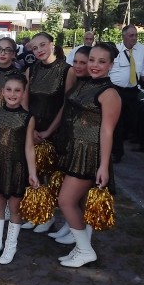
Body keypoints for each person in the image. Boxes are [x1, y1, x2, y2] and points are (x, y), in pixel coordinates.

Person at [57, 43, 121, 268]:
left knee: (65, 201)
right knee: (78, 202)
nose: (94, 65)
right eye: (92, 60)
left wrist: (103, 165)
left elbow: (107, 130)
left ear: (111, 65)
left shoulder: (109, 93)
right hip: (76, 148)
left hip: (90, 152)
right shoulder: (85, 83)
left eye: (102, 62)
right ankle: (80, 247)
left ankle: (85, 250)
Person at [0, 75, 39, 264]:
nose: (12, 94)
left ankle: (10, 245)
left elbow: (28, 147)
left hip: (18, 167)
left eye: (17, 90)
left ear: (24, 93)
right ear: (2, 92)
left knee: (15, 208)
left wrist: (33, 172)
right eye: (9, 89)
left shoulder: (28, 117)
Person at [21, 31, 73, 233]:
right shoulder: (31, 70)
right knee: (35, 174)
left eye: (42, 45)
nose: (39, 50)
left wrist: (49, 130)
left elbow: (65, 104)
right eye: (35, 48)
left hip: (56, 130)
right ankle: (40, 214)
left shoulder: (66, 70)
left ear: (52, 45)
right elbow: (25, 100)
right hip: (33, 129)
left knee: (53, 175)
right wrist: (31, 128)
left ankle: (52, 216)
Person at [49, 45, 92, 244]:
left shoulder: (96, 87)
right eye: (75, 62)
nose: (79, 66)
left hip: (87, 147)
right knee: (74, 194)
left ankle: (83, 236)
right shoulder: (77, 81)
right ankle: (71, 226)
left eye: (84, 62)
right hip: (71, 140)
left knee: (81, 194)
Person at [109, 25, 144, 163]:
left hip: (132, 91)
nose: (134, 38)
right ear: (124, 36)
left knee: (132, 120)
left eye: (136, 35)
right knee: (117, 123)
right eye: (131, 35)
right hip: (116, 90)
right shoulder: (115, 51)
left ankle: (121, 142)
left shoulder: (142, 50)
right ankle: (117, 152)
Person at [0, 38, 24, 111]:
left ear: (13, 54)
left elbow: (22, 102)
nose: (3, 53)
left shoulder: (20, 75)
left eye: (7, 50)